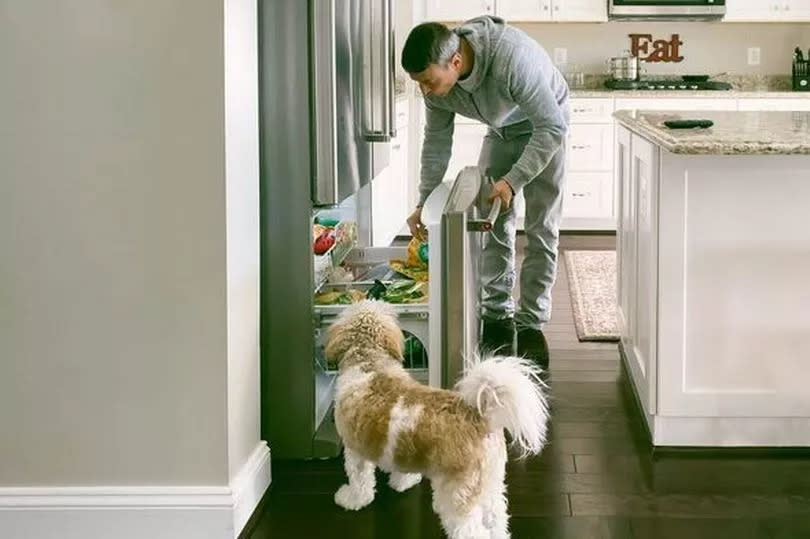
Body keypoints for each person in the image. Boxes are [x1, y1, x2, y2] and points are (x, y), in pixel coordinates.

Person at [401, 16, 569, 370]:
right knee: (491, 223)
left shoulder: (511, 58)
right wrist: (423, 201)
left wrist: (514, 180)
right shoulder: (436, 90)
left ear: (456, 63)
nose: (426, 92)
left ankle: (531, 324)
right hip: (501, 130)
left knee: (541, 227)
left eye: (429, 82)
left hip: (546, 128)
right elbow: (436, 145)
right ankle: (496, 316)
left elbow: (551, 126)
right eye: (419, 84)